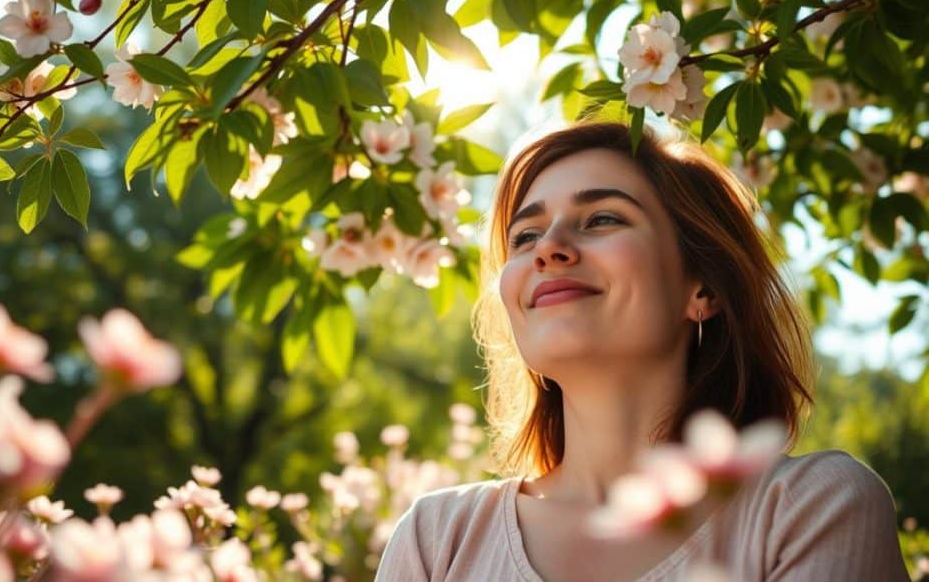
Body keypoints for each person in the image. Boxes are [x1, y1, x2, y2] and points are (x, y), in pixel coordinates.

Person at [374, 122, 910, 581]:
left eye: (603, 218)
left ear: (702, 288)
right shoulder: (435, 539)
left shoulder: (810, 508)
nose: (549, 248)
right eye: (525, 235)